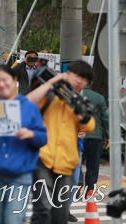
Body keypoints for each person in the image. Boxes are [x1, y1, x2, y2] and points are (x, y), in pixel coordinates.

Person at [0, 65, 47, 224]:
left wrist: (30, 134)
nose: (1, 84)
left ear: (14, 80)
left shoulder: (28, 107)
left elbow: (42, 138)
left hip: (20, 175)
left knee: (14, 219)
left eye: (5, 80)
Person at [27, 60, 96, 224]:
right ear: (67, 74)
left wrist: (78, 109)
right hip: (43, 158)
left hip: (67, 163)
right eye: (76, 75)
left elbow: (90, 126)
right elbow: (27, 103)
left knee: (60, 213)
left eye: (84, 79)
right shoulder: (50, 95)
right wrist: (51, 82)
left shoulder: (81, 103)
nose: (80, 80)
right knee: (43, 208)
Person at [81, 85, 109, 195]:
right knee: (93, 166)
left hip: (78, 137)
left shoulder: (73, 96)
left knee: (75, 163)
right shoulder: (99, 97)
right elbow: (105, 118)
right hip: (95, 137)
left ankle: (77, 182)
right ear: (92, 82)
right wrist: (108, 136)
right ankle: (90, 191)